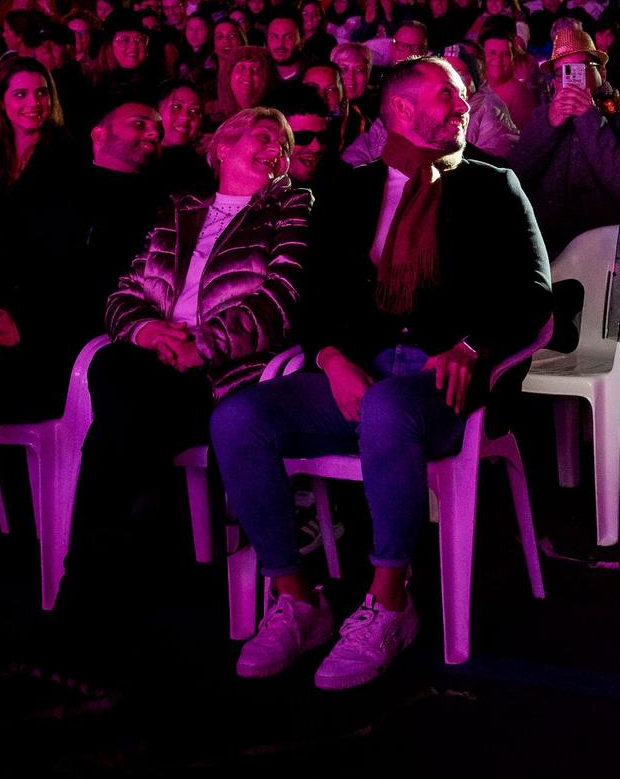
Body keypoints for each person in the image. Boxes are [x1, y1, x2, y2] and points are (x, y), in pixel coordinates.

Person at [210, 58, 550, 687]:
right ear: (400, 110)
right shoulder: (350, 189)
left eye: (462, 96)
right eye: (447, 96)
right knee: (238, 418)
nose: (462, 105)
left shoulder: (491, 182)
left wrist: (472, 346)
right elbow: (310, 295)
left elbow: (533, 293)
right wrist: (331, 358)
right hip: (357, 371)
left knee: (390, 408)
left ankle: (390, 603)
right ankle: (296, 600)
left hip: (441, 383)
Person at [63, 108, 312, 599]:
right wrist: (148, 331)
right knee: (120, 376)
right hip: (154, 362)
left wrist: (204, 343)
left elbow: (284, 295)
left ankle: (88, 585)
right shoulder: (180, 209)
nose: (277, 150)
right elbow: (126, 291)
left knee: (118, 411)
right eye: (264, 137)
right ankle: (120, 572)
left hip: (225, 374)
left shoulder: (292, 206)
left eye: (284, 145)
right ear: (221, 148)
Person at [509, 28, 620, 255]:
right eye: (562, 73)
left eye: (580, 69)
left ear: (602, 72)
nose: (571, 79)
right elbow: (515, 175)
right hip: (549, 247)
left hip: (603, 248)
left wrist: (589, 118)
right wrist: (550, 125)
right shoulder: (544, 117)